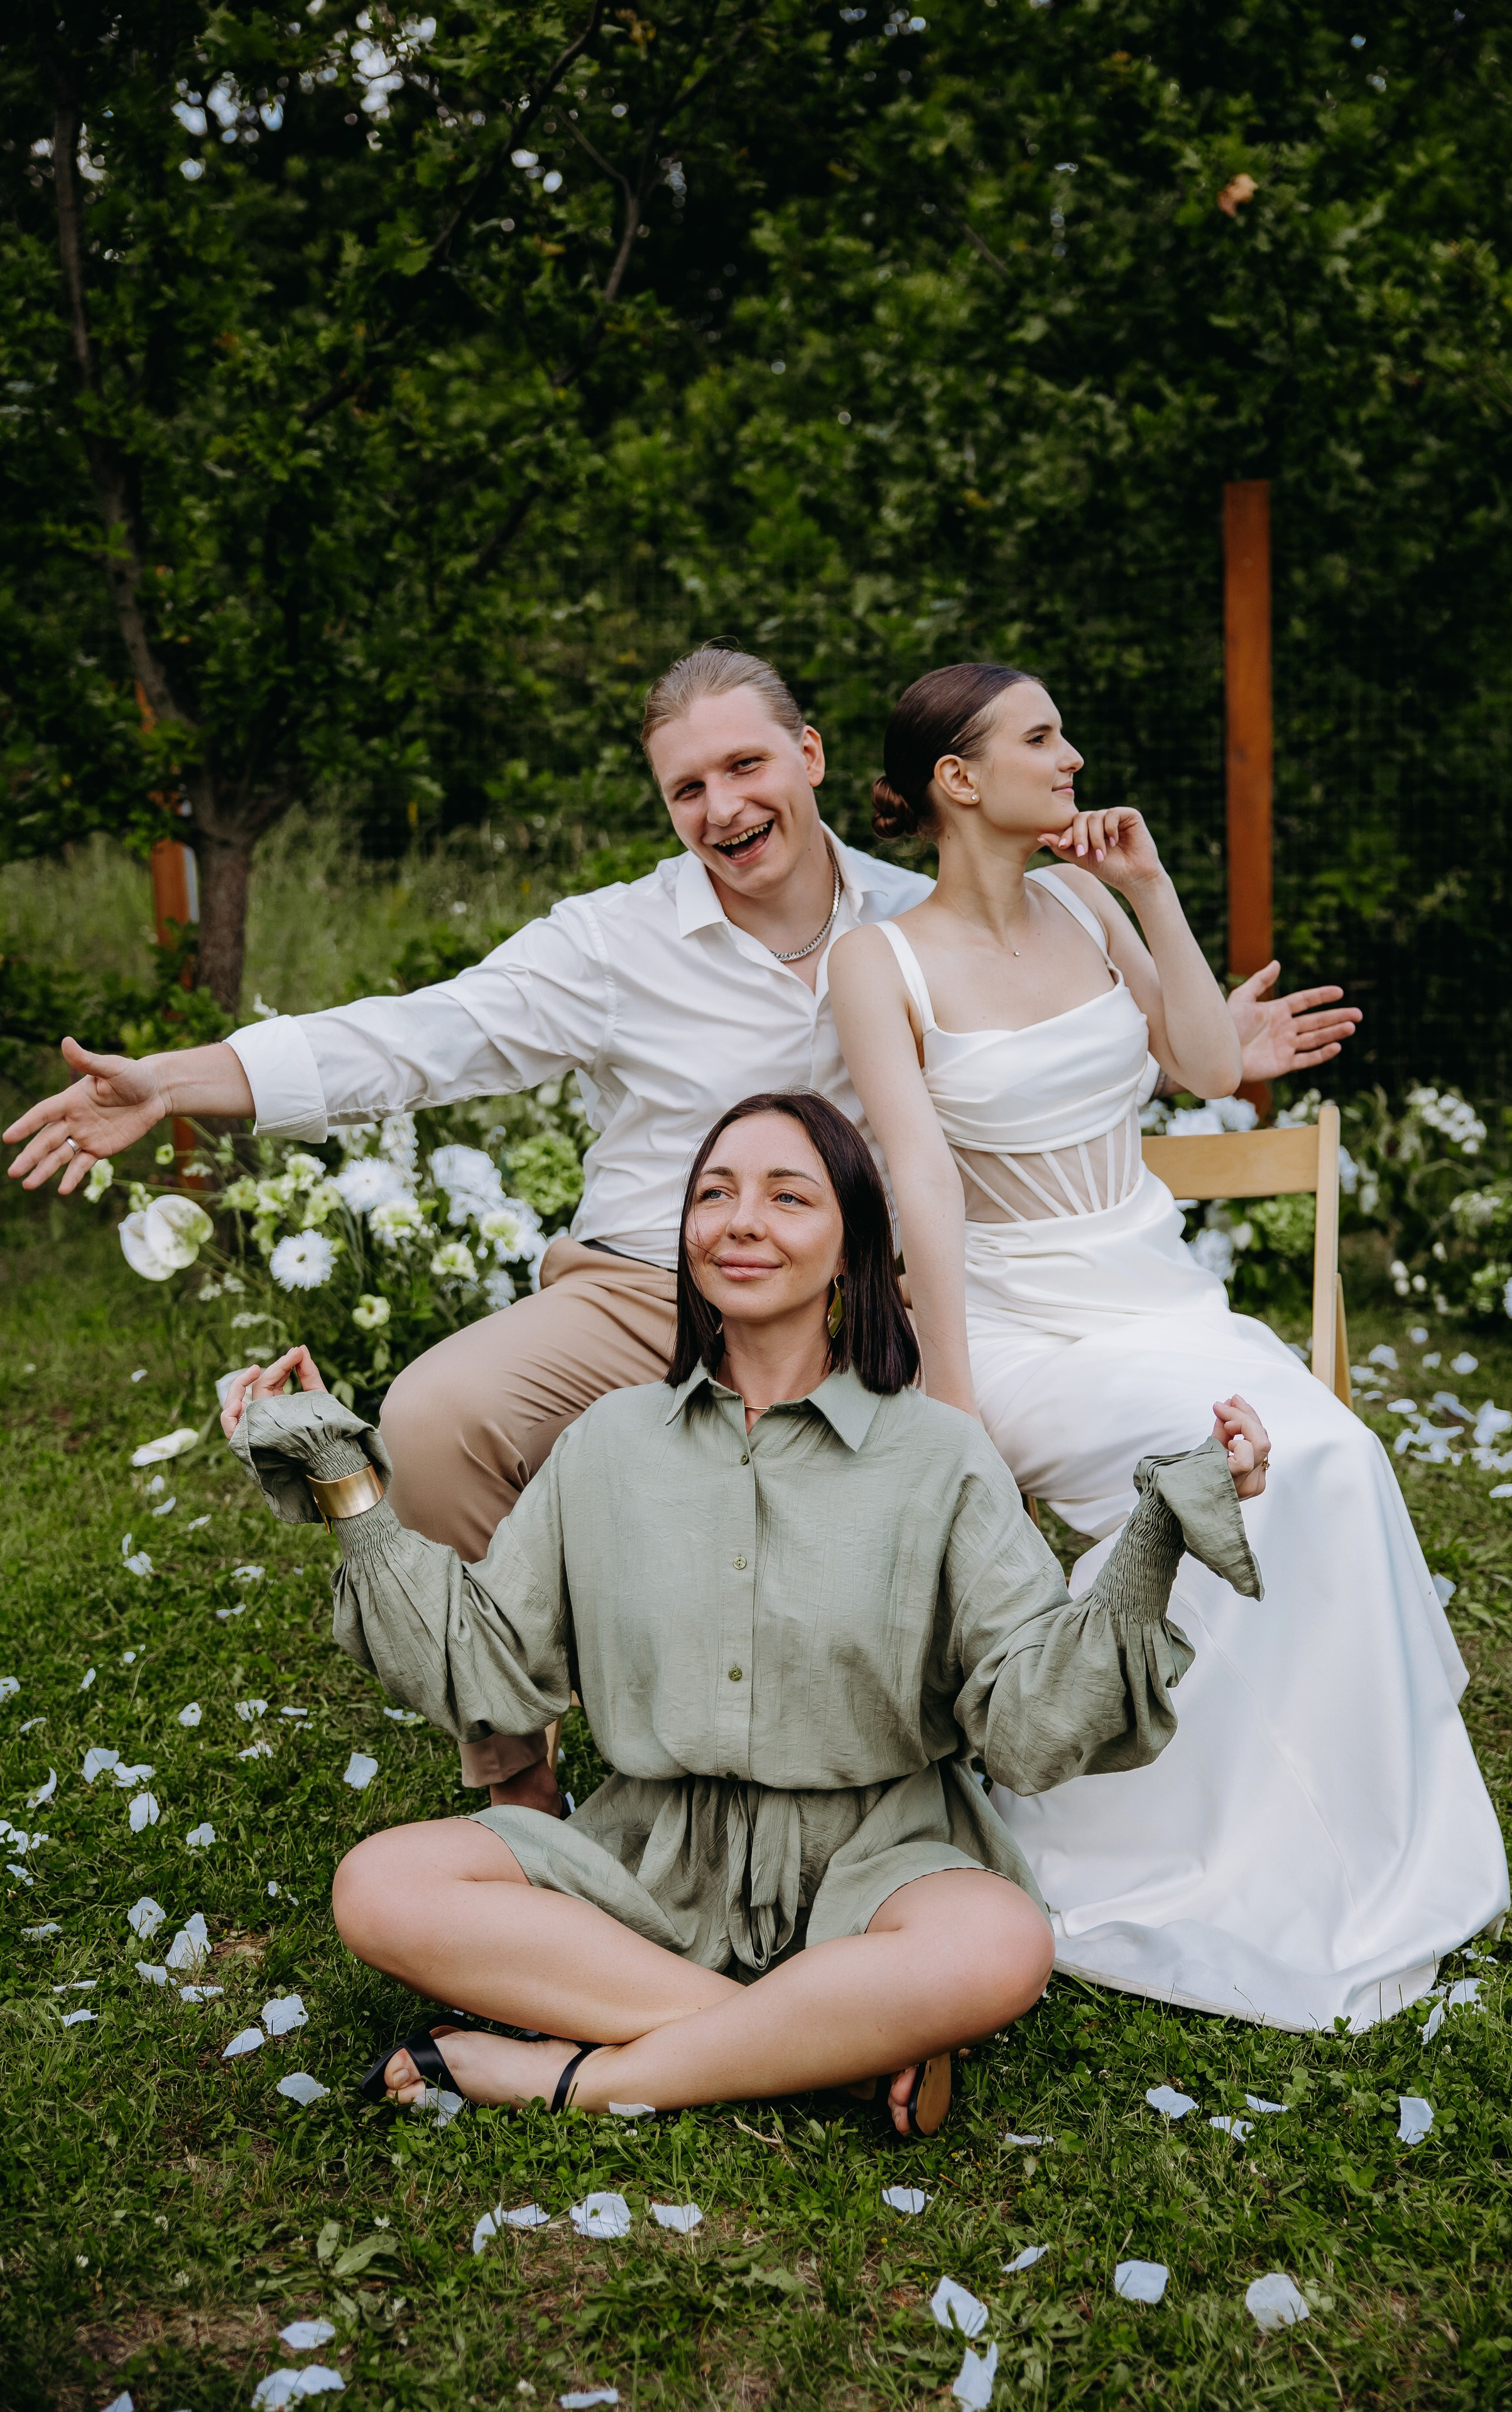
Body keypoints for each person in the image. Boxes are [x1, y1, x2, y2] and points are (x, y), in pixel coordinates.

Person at [4, 646, 1353, 1813]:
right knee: (429, 1418)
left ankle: (890, 1773)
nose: (722, 806)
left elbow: (1068, 1049)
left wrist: (1199, 1045)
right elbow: (417, 1041)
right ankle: (517, 1765)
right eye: (687, 788)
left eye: (745, 765)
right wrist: (177, 1081)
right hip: (642, 1291)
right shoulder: (609, 943)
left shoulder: (914, 915)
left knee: (918, 1470)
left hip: (848, 1307)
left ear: (811, 757)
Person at [220, 1091, 1270, 2128]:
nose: (741, 1222)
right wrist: (343, 1484)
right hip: (648, 1858)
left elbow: (1028, 1715)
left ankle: (569, 2074)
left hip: (883, 1856)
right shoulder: (610, 1441)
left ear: (854, 1243)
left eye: (787, 1196)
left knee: (1000, 1944)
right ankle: (827, 2056)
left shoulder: (942, 1454)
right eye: (714, 1194)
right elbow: (489, 1665)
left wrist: (1154, 1542)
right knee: (379, 1885)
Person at [827, 663, 1509, 2035]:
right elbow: (920, 1188)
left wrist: (1149, 889)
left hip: (1161, 1299)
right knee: (1260, 1469)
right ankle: (1144, 1837)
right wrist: (952, 1404)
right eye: (1039, 739)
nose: (1071, 759)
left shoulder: (1084, 899)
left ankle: (1336, 1822)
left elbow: (1204, 1064)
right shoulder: (879, 958)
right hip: (1022, 1328)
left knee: (1335, 1456)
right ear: (957, 782)